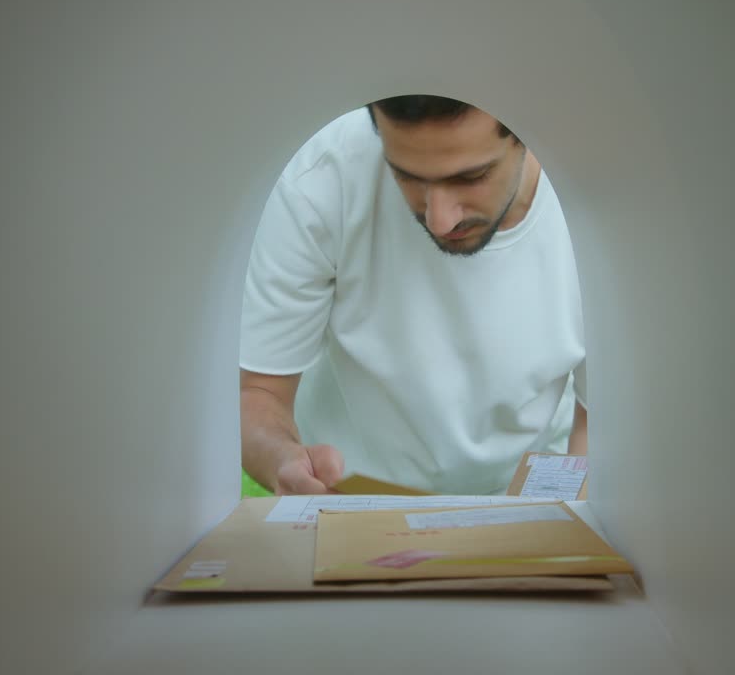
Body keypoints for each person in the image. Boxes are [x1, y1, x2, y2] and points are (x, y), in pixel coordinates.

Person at [239, 95, 587, 495]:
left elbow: (598, 425)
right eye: (406, 176)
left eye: (470, 177)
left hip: (526, 502)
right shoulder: (321, 178)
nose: (440, 219)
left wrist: (554, 530)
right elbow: (258, 391)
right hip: (346, 502)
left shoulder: (600, 203)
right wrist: (283, 459)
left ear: (529, 136)